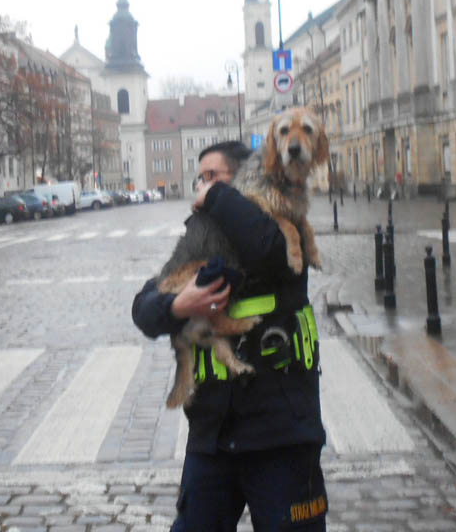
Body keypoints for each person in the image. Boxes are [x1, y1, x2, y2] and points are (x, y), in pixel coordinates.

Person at [132, 141, 327, 531]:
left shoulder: (284, 232)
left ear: (243, 181)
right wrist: (178, 307)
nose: (202, 188)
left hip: (280, 435)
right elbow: (143, 308)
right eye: (199, 179)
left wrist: (222, 195)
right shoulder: (202, 238)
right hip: (213, 437)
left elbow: (263, 247)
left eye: (213, 178)